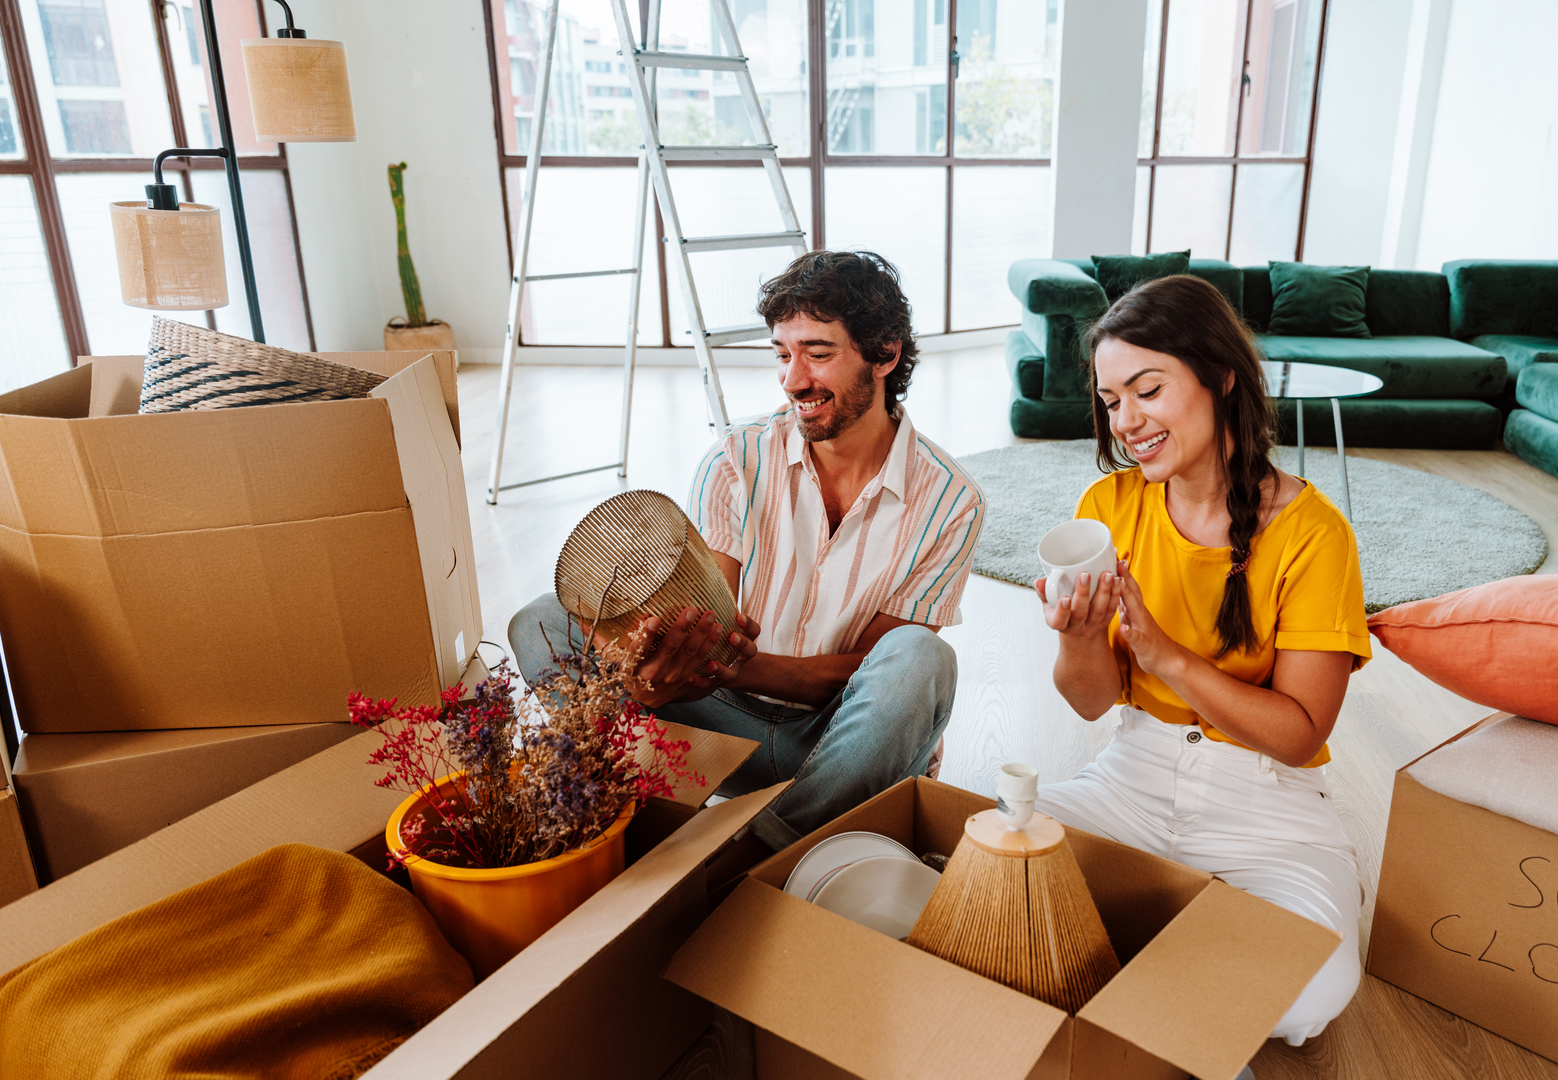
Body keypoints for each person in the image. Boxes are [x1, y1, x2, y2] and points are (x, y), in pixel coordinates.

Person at [510, 250, 985, 851]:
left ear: (885, 354)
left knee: (921, 658)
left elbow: (868, 670)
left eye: (817, 353)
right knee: (541, 623)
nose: (793, 380)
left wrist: (732, 664)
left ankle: (754, 853)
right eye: (783, 355)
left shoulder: (951, 500)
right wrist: (651, 673)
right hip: (720, 721)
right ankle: (765, 831)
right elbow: (707, 617)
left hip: (841, 741)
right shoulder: (736, 459)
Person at [1034, 274, 1368, 1047]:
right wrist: (1078, 637)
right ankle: (1185, 968)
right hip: (1133, 776)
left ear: (1220, 375)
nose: (1127, 422)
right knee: (983, 856)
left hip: (1268, 803)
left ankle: (1132, 954)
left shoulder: (1315, 534)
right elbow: (1089, 703)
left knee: (1316, 984)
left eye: (1147, 390)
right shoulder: (1108, 510)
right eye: (1112, 401)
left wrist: (1167, 657)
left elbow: (1296, 732)